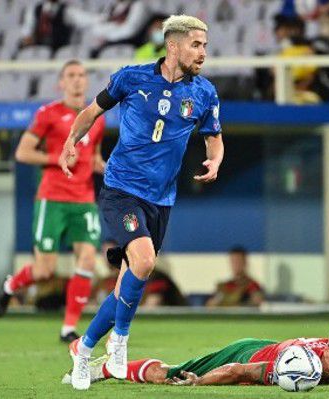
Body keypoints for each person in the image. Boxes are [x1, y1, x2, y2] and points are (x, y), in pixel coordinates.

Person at [61, 15, 224, 390]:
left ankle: (83, 350)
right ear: (173, 46)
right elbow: (91, 112)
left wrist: (214, 160)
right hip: (121, 190)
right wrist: (73, 140)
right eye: (196, 45)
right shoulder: (130, 78)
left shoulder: (204, 93)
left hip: (161, 199)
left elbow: (214, 137)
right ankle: (119, 340)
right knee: (146, 260)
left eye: (205, 46)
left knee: (127, 283)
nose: (202, 53)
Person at [0, 60, 106, 343]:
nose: (78, 80)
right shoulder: (49, 114)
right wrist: (54, 159)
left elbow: (94, 157)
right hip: (52, 198)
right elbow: (22, 152)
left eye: (81, 75)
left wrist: (107, 168)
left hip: (84, 199)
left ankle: (68, 328)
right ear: (61, 83)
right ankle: (11, 286)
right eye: (71, 76)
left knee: (89, 260)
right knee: (45, 270)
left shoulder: (98, 117)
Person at [62, 325, 329, 386]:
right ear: (325, 353)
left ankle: (103, 363)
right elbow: (239, 370)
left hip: (255, 357)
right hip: (249, 350)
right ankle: (103, 365)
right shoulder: (295, 362)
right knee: (174, 375)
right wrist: (200, 385)